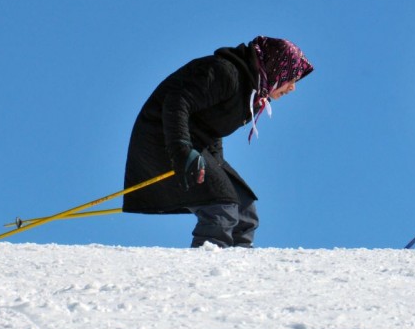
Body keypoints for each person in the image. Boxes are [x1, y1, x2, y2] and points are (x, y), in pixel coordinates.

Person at [122, 36, 313, 248]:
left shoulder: (251, 93)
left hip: (194, 144)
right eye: (292, 78)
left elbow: (210, 128)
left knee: (244, 211)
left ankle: (237, 275)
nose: (293, 88)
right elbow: (177, 102)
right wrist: (182, 150)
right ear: (277, 68)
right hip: (163, 140)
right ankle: (207, 273)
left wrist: (217, 166)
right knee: (221, 206)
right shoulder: (225, 73)